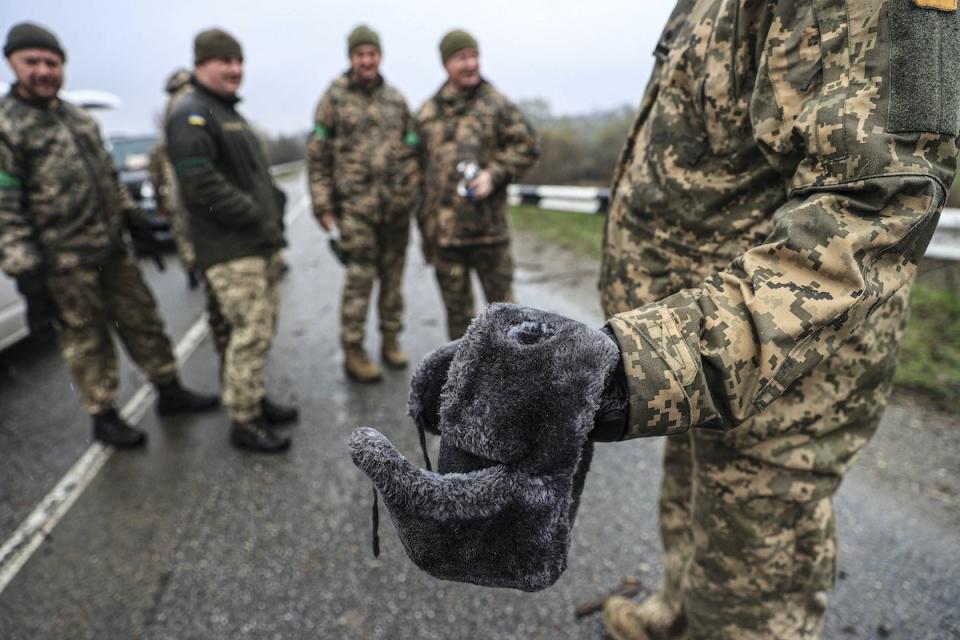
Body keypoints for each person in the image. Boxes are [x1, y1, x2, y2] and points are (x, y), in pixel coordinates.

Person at [414, 3, 959, 638]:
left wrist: (632, 371)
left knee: (747, 587)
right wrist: (647, 362)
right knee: (689, 504)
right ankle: (673, 616)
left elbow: (874, 210)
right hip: (690, 361)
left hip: (778, 381)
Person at [0, 22, 220, 448]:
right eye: (33, 62)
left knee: (145, 321)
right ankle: (103, 413)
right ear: (13, 63)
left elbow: (108, 177)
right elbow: (5, 209)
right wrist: (27, 274)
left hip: (112, 251)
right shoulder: (7, 128)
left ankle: (169, 390)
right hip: (63, 264)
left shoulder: (78, 119)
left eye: (51, 62)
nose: (43, 71)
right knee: (87, 341)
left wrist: (135, 218)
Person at [166, 28, 297, 453]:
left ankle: (253, 398)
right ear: (201, 64)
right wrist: (256, 214)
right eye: (225, 61)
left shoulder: (226, 112)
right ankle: (245, 420)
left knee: (261, 329)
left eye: (239, 61)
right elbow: (200, 186)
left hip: (254, 244)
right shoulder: (192, 113)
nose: (235, 69)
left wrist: (273, 204)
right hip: (230, 250)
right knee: (250, 333)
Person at [307, 25, 420, 383]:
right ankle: (354, 350)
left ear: (380, 57)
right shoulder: (334, 99)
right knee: (359, 281)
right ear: (351, 58)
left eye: (372, 53)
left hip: (395, 211)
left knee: (393, 281)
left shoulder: (397, 100)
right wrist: (323, 204)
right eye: (360, 54)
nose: (367, 60)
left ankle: (391, 341)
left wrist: (410, 190)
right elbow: (318, 155)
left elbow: (414, 149)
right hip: (355, 209)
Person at [414, 29, 539, 339]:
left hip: (489, 237)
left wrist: (494, 174)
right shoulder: (428, 112)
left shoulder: (496, 103)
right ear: (446, 64)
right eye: (461, 58)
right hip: (446, 240)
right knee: (459, 325)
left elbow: (527, 146)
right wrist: (425, 227)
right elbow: (416, 169)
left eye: (473, 56)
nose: (470, 64)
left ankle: (514, 385)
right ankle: (465, 385)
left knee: (509, 322)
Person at [149, 68, 200, 289]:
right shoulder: (197, 101)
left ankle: (191, 268)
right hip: (195, 188)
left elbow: (155, 176)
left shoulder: (171, 116)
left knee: (183, 235)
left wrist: (161, 201)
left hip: (177, 192)